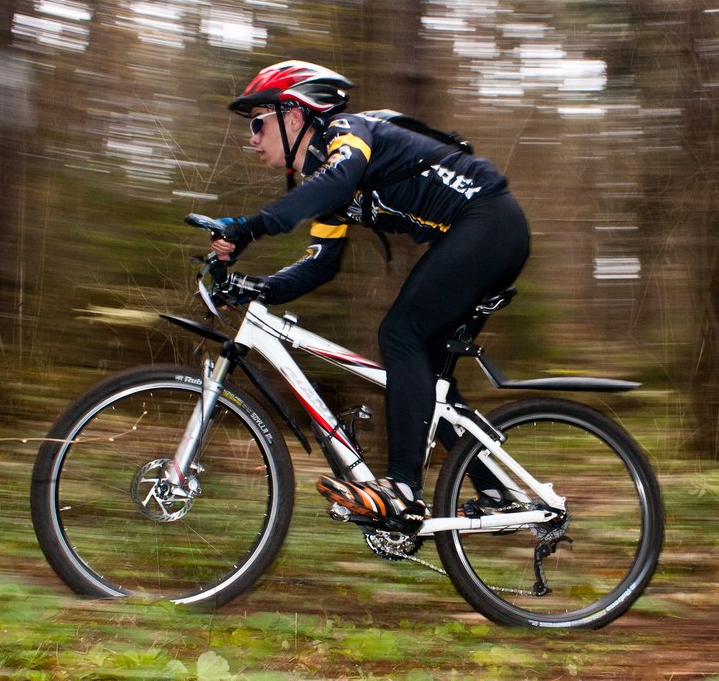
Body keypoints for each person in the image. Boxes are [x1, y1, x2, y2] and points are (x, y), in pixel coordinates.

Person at [207, 60, 530, 531]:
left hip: (490, 222)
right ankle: (497, 490)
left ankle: (402, 489)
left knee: (400, 332)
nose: (252, 138)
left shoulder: (347, 133)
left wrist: (251, 228)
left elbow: (340, 178)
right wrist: (260, 287)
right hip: (477, 233)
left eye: (259, 123)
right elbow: (321, 263)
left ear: (294, 116)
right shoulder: (326, 185)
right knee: (424, 376)